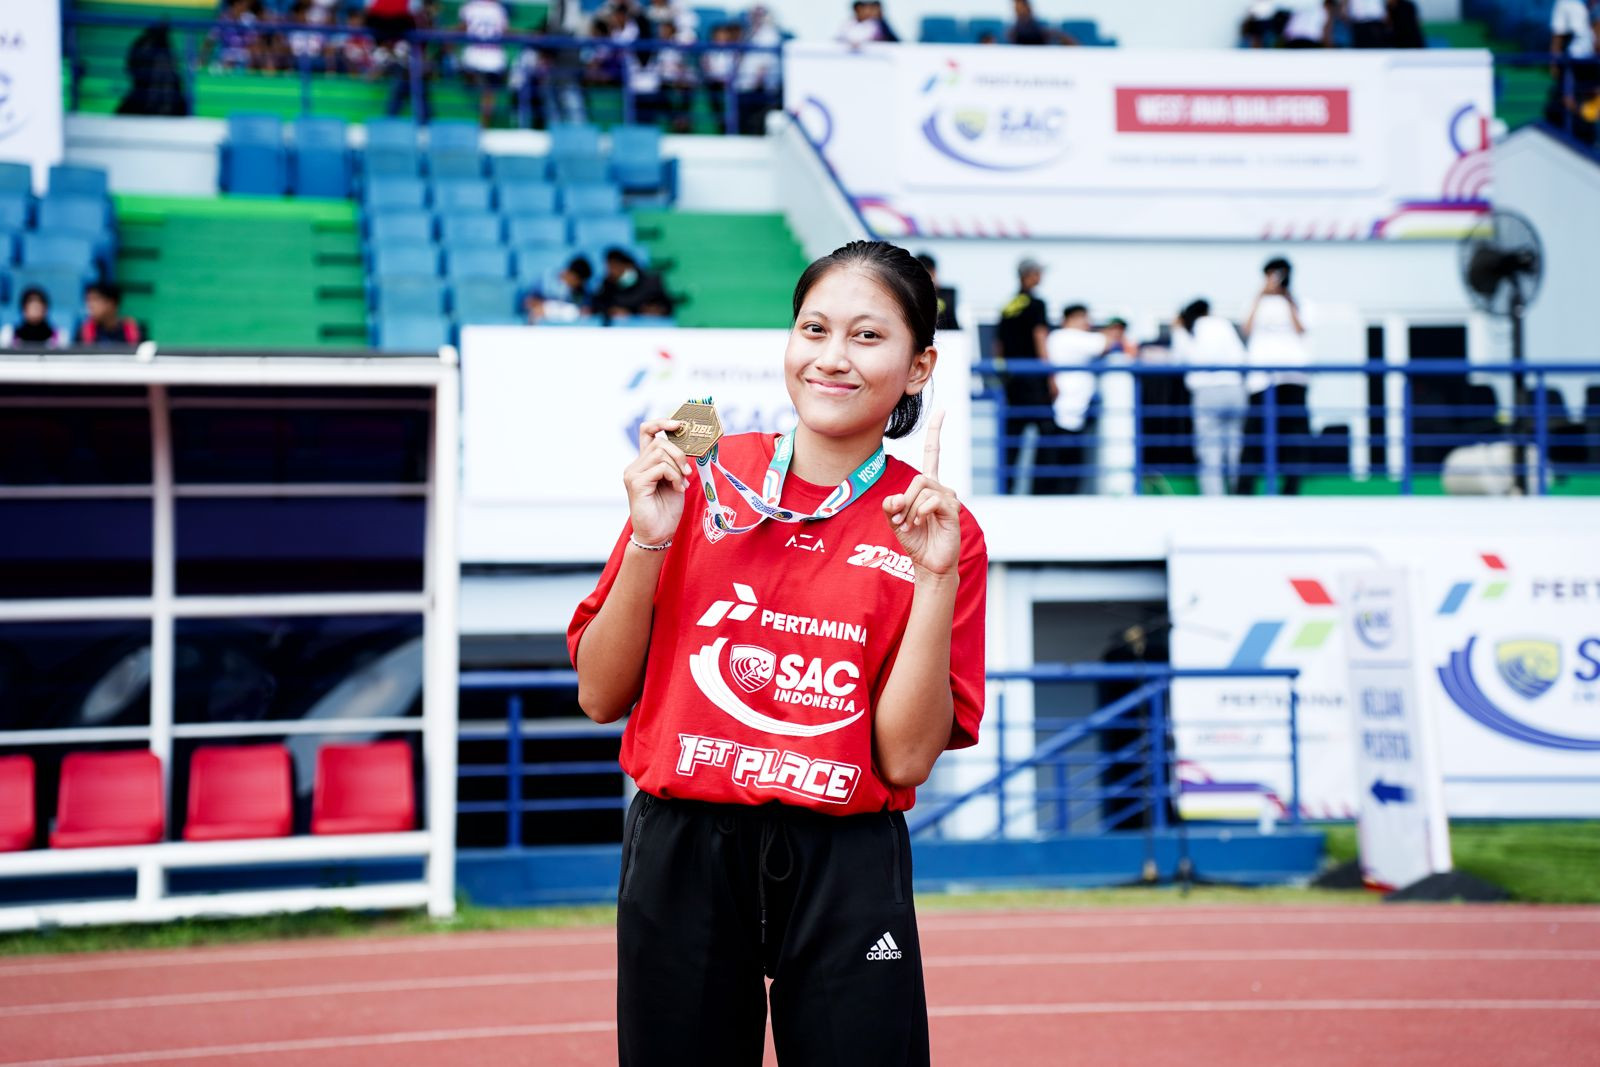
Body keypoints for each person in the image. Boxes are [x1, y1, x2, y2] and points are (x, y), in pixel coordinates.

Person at [569, 239, 986, 1067]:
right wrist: (651, 542)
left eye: (867, 337)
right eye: (814, 328)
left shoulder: (939, 526)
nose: (831, 358)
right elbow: (600, 694)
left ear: (918, 365)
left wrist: (932, 574)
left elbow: (904, 758)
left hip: (846, 858)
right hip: (684, 846)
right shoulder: (698, 471)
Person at [1238, 257, 1312, 495]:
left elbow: (1302, 329)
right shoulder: (1255, 302)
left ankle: (1290, 487)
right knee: (1254, 434)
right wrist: (1260, 296)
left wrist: (1287, 298)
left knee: (1293, 436)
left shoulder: (1300, 302)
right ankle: (1245, 489)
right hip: (1260, 379)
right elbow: (1245, 330)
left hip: (1292, 377)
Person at [1172, 299, 1249, 496]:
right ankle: (1239, 493)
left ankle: (1214, 497)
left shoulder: (1188, 329)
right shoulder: (1222, 324)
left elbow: (1179, 359)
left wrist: (1177, 330)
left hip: (1206, 392)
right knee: (1236, 448)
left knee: (1209, 450)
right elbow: (1241, 357)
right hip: (1235, 389)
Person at [995, 257, 1059, 493]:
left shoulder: (1009, 305)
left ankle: (1007, 488)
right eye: (1039, 272)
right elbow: (1040, 338)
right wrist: (1051, 376)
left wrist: (1003, 377)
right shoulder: (1036, 304)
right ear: (1030, 275)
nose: (1041, 276)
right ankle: (1042, 490)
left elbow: (998, 345)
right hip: (1034, 380)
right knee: (1047, 434)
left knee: (1012, 440)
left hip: (1012, 381)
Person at [1044, 304, 1115, 495]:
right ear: (1069, 319)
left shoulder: (1061, 338)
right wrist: (1114, 330)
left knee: (1067, 466)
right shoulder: (1065, 336)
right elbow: (1106, 343)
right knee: (1066, 468)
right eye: (1083, 317)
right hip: (1067, 412)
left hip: (1073, 412)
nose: (1087, 323)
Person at [458, 0, 510, 127]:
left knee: (485, 92)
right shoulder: (498, 8)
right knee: (488, 93)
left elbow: (462, 28)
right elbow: (504, 31)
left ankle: (483, 123)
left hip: (473, 57)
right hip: (494, 58)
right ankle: (484, 124)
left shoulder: (469, 7)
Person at [593, 248, 674, 320]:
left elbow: (667, 306)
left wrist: (658, 310)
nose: (611, 271)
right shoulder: (607, 285)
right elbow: (597, 305)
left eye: (615, 267)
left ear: (628, 265)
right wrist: (610, 311)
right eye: (609, 267)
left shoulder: (652, 281)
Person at [75, 282, 144, 347]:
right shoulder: (84, 332)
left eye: (95, 299)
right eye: (88, 300)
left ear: (111, 303)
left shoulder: (133, 331)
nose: (90, 305)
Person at [2, 288, 67, 348]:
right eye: (31, 305)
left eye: (38, 306)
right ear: (23, 310)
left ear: (45, 310)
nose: (35, 309)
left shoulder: (59, 336)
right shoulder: (9, 333)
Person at [915, 252, 958, 331]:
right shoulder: (911, 295)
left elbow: (950, 319)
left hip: (950, 336)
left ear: (934, 272)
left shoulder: (947, 294)